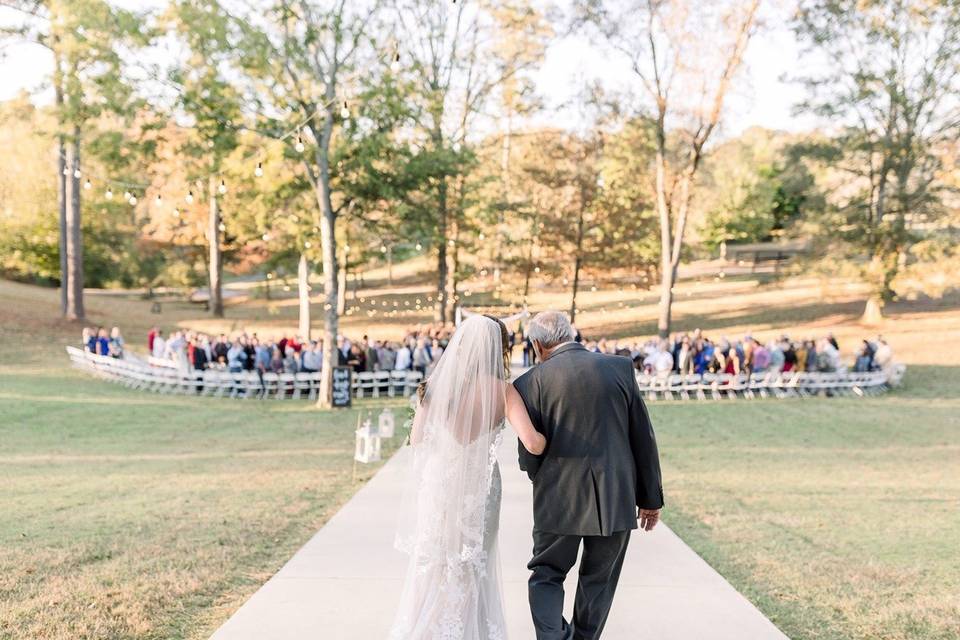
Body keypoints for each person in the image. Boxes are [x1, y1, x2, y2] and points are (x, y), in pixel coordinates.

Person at [389, 315, 546, 640]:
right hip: (479, 487)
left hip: (440, 484)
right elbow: (532, 442)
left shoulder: (434, 386)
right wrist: (551, 437)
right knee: (474, 560)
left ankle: (428, 626)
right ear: (497, 349)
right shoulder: (503, 392)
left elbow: (417, 441)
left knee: (435, 559)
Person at [513, 311, 663, 640]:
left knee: (546, 575)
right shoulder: (619, 369)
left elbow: (528, 454)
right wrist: (649, 499)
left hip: (558, 498)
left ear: (537, 344)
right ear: (572, 333)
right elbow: (643, 437)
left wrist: (542, 479)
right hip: (615, 496)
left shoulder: (528, 383)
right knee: (598, 581)